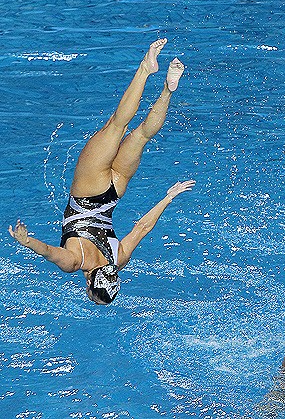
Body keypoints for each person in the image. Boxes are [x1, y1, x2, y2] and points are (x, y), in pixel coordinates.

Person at [8, 39, 195, 305]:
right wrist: (27, 242)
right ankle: (145, 68)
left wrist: (169, 196)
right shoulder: (75, 262)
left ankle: (168, 89)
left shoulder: (119, 261)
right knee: (116, 125)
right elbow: (49, 252)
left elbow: (142, 227)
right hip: (88, 190)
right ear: (88, 285)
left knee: (141, 135)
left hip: (114, 192)